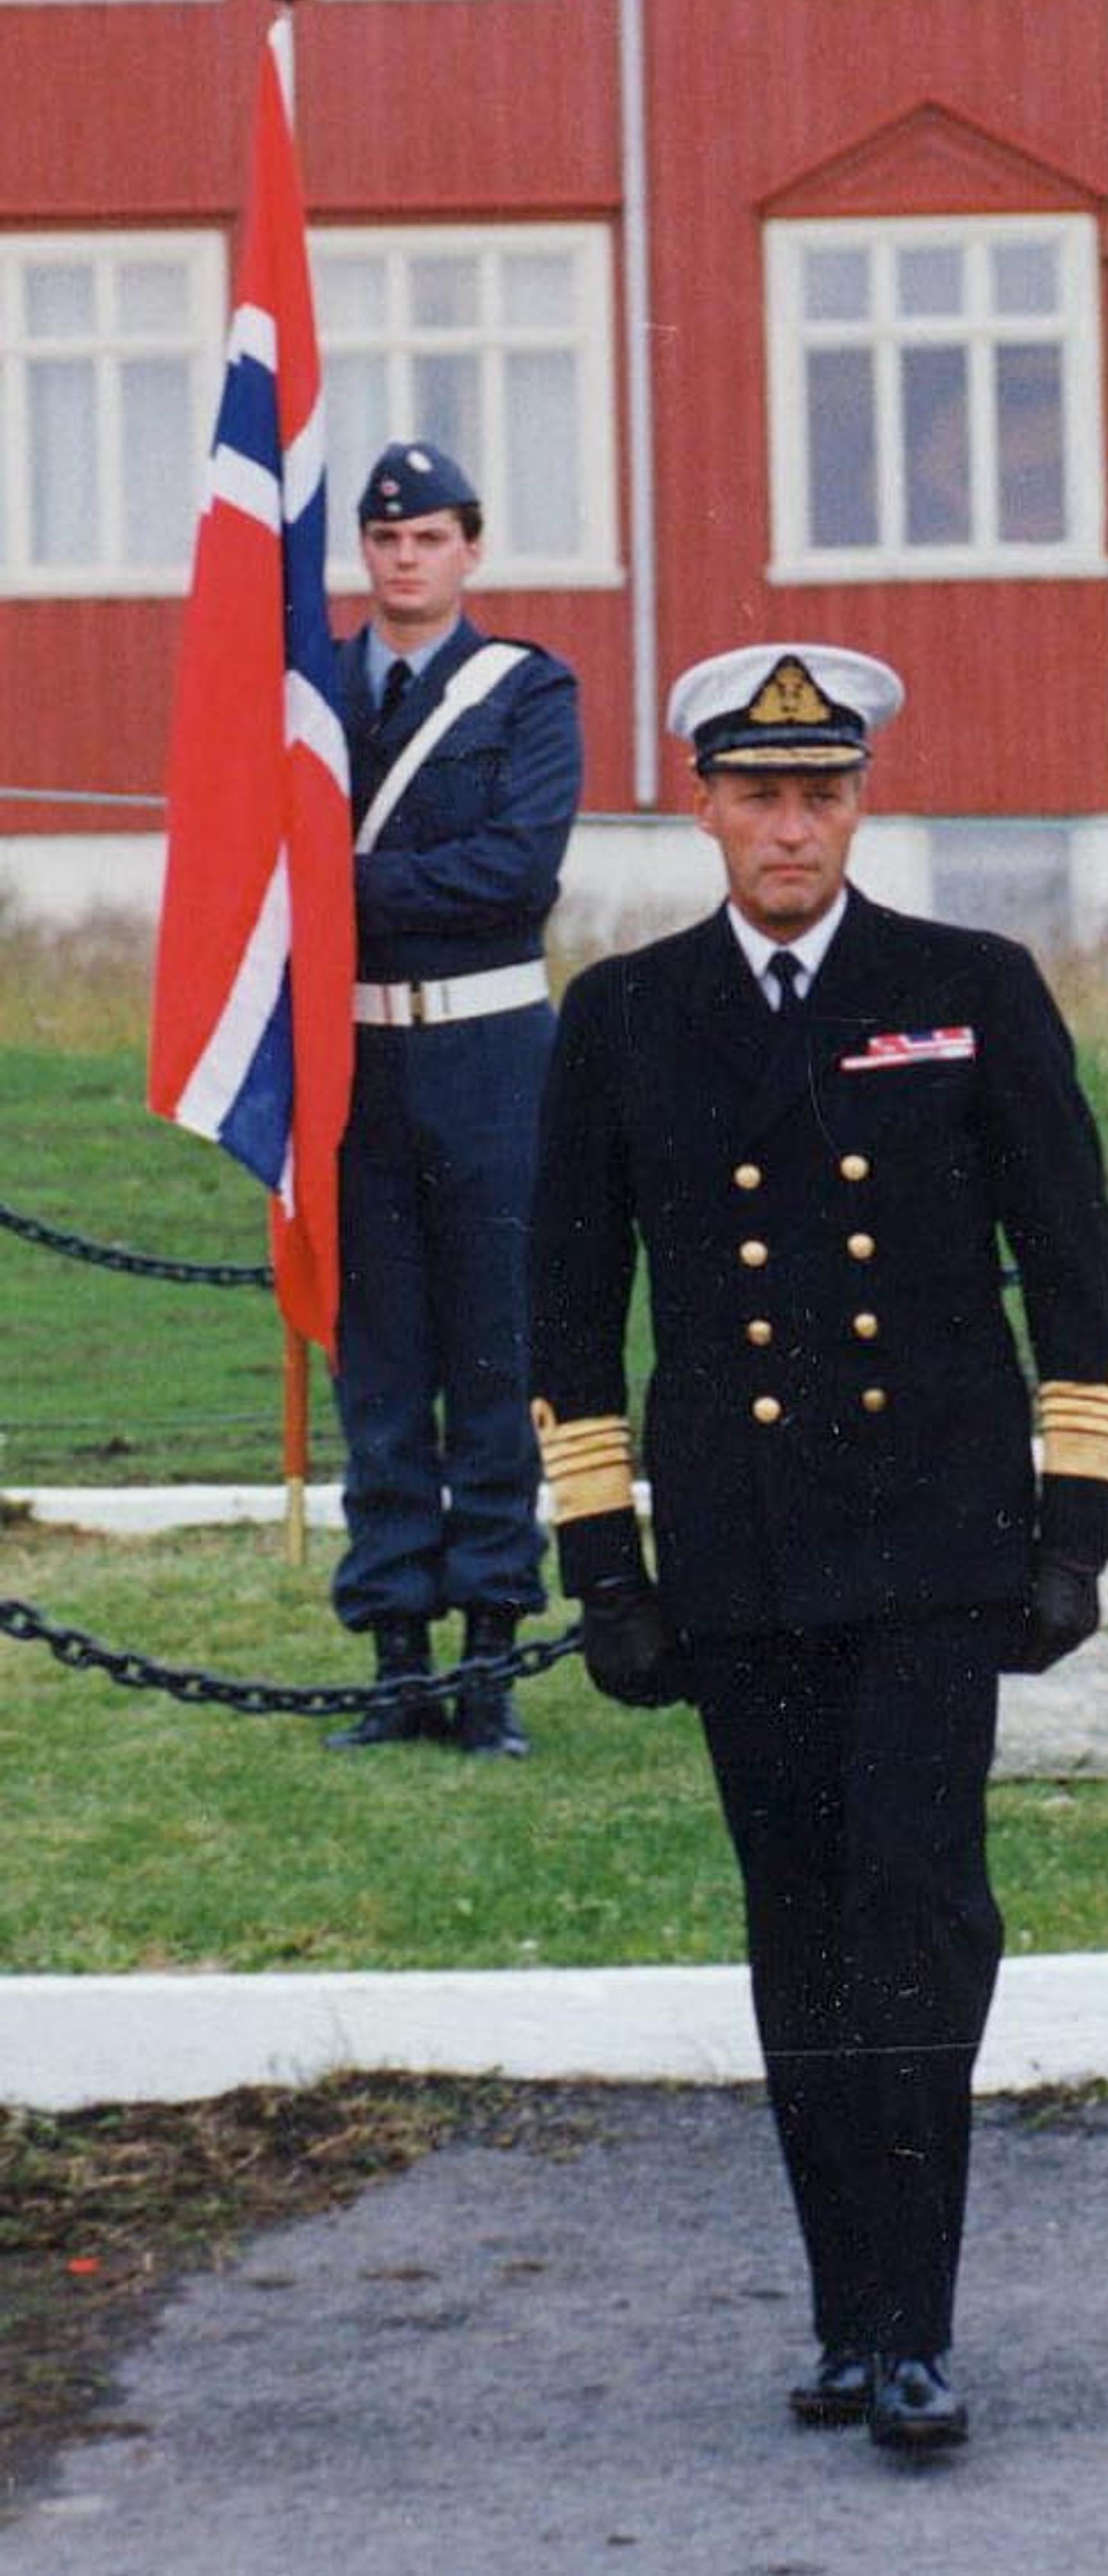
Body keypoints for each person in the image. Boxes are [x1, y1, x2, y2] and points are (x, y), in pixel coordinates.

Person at [527, 642, 1108, 2455]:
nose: (791, 826)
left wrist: (1076, 1522)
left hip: (940, 1545)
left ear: (862, 805)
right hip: (747, 1556)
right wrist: (604, 1562)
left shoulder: (968, 984)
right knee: (795, 1926)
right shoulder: (623, 1016)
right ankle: (847, 2312)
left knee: (918, 1913)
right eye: (757, 793)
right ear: (703, 804)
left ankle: (921, 2320)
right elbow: (568, 1301)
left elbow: (1074, 1264)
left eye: (823, 793)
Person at [327, 440, 582, 1759]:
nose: (405, 558)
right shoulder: (311, 692)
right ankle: (394, 1658)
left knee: (494, 1363)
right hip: (354, 1065)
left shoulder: (526, 693)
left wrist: (338, 888)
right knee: (378, 1369)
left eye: (429, 536)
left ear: (471, 549)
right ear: (362, 554)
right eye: (385, 539)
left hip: (491, 1060)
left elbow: (516, 875)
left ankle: (491, 1653)